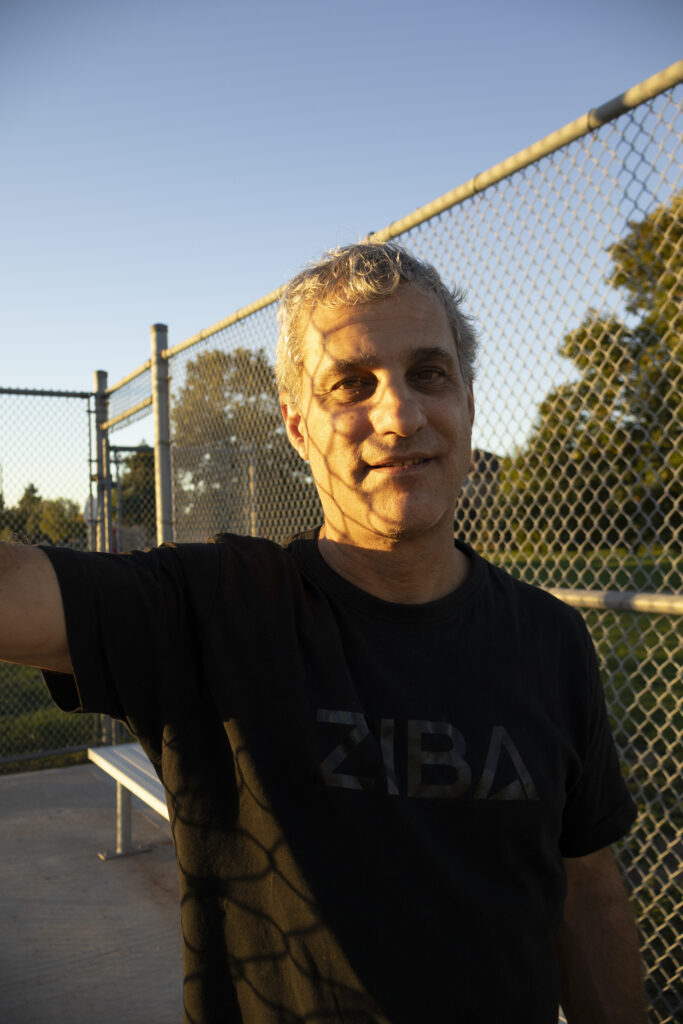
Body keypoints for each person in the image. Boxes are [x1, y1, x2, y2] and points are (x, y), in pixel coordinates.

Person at [0, 243, 649, 1023]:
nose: (400, 415)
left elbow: (588, 891)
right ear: (298, 425)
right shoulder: (210, 607)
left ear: (469, 402)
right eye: (351, 383)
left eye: (429, 374)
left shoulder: (548, 639)